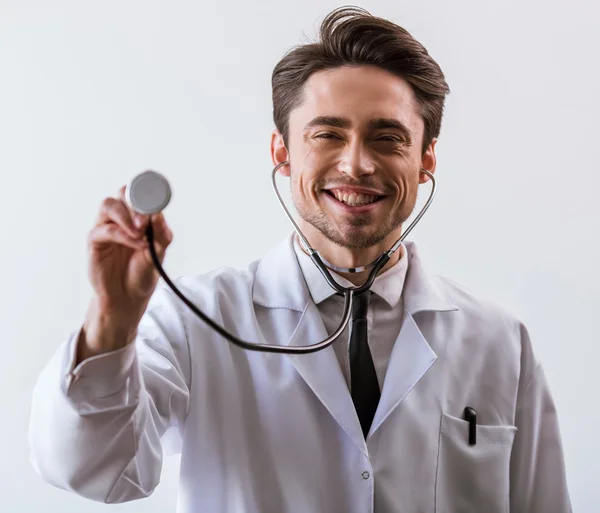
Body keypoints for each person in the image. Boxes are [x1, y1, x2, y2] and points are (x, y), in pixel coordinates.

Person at [28, 6, 572, 513]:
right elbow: (94, 469)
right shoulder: (195, 319)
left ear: (426, 157)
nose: (356, 164)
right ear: (282, 153)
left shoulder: (500, 341)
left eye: (388, 138)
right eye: (327, 134)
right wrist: (111, 323)